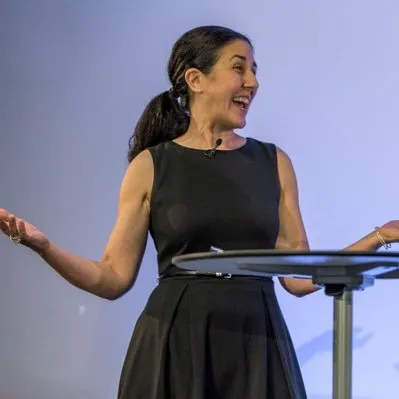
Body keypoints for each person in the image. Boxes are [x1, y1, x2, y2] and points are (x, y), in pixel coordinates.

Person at [1, 25, 399, 399]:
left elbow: (297, 277)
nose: (253, 82)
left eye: (254, 71)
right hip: (177, 336)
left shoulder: (273, 161)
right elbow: (113, 277)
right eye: (238, 68)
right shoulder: (151, 165)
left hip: (256, 338)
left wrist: (380, 235)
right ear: (196, 80)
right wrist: (43, 246)